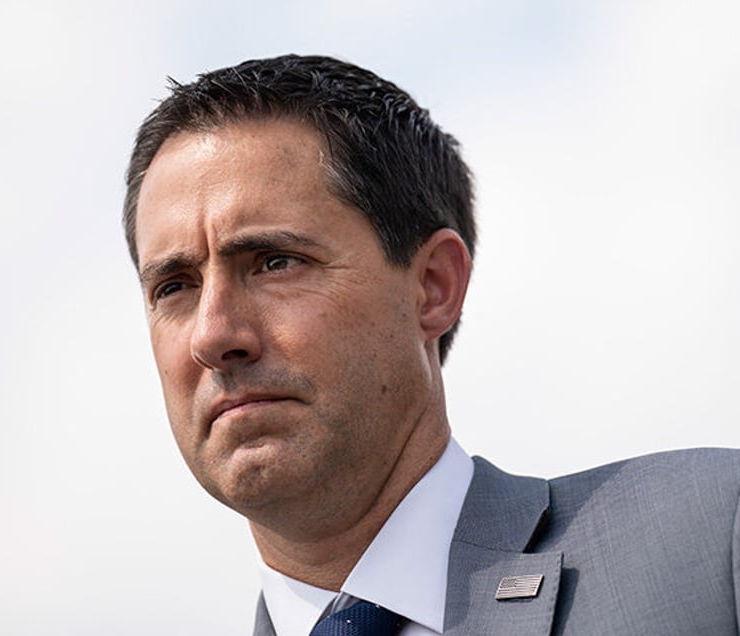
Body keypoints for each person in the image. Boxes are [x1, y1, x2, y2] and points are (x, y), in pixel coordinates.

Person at [122, 54, 740, 635]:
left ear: (433, 287)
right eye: (175, 286)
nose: (213, 334)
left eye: (275, 262)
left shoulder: (710, 536)